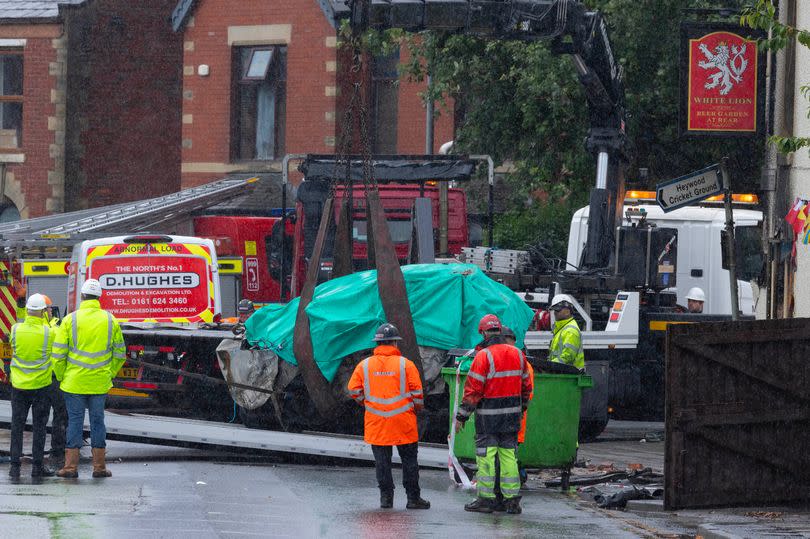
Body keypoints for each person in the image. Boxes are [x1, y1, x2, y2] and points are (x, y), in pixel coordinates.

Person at [348, 322, 430, 510]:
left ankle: (386, 499)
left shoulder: (365, 365)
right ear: (395, 343)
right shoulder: (405, 364)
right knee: (409, 461)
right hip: (403, 422)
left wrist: (366, 403)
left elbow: (353, 389)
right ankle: (413, 498)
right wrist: (416, 409)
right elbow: (418, 394)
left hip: (377, 422)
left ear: (377, 343)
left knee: (382, 462)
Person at [456, 314, 532, 514]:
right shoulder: (518, 354)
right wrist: (521, 408)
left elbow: (473, 390)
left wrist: (461, 416)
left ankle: (486, 499)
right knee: (508, 456)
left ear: (483, 333)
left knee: (486, 456)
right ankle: (511, 500)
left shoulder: (483, 356)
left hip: (488, 418)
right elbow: (527, 386)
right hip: (512, 417)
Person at [51, 279, 126, 478]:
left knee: (75, 422)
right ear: (99, 297)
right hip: (99, 382)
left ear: (82, 296)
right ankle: (99, 467)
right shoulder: (110, 320)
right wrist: (109, 373)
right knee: (97, 422)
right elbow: (120, 354)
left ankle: (70, 468)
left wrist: (61, 376)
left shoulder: (70, 320)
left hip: (74, 382)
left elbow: (58, 354)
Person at [8, 294, 57, 479]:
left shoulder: (15, 329)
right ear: (43, 312)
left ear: (28, 310)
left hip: (19, 387)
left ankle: (15, 467)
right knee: (39, 427)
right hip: (41, 387)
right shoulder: (49, 332)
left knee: (17, 426)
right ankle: (37, 467)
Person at [502, 326, 533, 486]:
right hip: (511, 419)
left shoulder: (522, 363)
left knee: (508, 457)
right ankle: (511, 486)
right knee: (508, 456)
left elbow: (527, 393)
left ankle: (511, 485)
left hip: (513, 420)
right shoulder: (519, 362)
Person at [42, 295, 67, 470]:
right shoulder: (55, 330)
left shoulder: (31, 330)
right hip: (54, 379)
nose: (52, 311)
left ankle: (40, 453)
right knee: (60, 416)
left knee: (41, 418)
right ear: (43, 311)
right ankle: (57, 451)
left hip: (40, 381)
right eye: (50, 308)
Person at [548, 294, 585, 370]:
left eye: (558, 310)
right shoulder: (561, 328)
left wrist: (550, 366)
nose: (555, 313)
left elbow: (568, 357)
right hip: (562, 372)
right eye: (554, 310)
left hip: (569, 375)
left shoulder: (570, 330)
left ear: (568, 311)